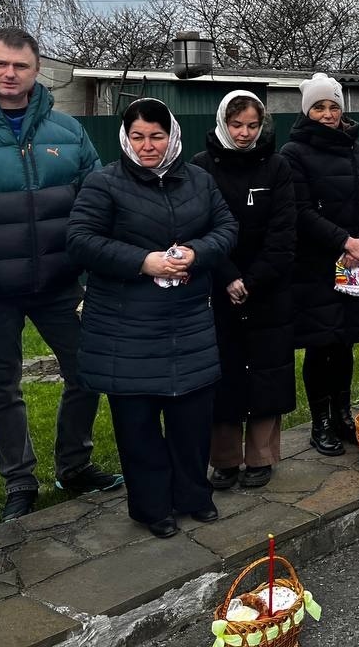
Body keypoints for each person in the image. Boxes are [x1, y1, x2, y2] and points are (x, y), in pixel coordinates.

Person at [0, 27, 120, 523]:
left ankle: (73, 466)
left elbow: (96, 199)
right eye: (0, 65)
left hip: (61, 282)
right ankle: (19, 481)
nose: (10, 74)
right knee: (3, 387)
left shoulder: (67, 131)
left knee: (88, 372)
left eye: (21, 66)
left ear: (37, 71)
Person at [67, 99, 237, 539]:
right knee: (138, 424)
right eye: (138, 136)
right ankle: (151, 506)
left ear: (171, 135)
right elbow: (81, 240)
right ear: (126, 137)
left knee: (192, 417)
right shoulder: (103, 183)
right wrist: (145, 261)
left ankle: (193, 495)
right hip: (127, 326)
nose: (148, 146)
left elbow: (226, 227)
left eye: (157, 136)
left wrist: (198, 253)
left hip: (188, 319)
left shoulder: (198, 179)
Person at [192, 91, 295, 485]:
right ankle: (225, 458)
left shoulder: (277, 166)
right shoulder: (202, 167)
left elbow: (284, 231)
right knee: (225, 372)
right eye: (236, 125)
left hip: (268, 286)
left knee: (267, 371)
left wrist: (251, 280)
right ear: (223, 122)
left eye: (252, 125)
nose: (244, 133)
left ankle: (261, 457)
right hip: (219, 284)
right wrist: (228, 276)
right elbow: (200, 228)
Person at [282, 74, 359, 456]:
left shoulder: (357, 150)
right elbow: (301, 211)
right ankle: (320, 421)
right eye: (319, 107)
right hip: (315, 264)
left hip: (356, 263)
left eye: (333, 106)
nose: (327, 114)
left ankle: (343, 415)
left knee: (345, 341)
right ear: (307, 111)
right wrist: (345, 241)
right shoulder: (293, 153)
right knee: (319, 343)